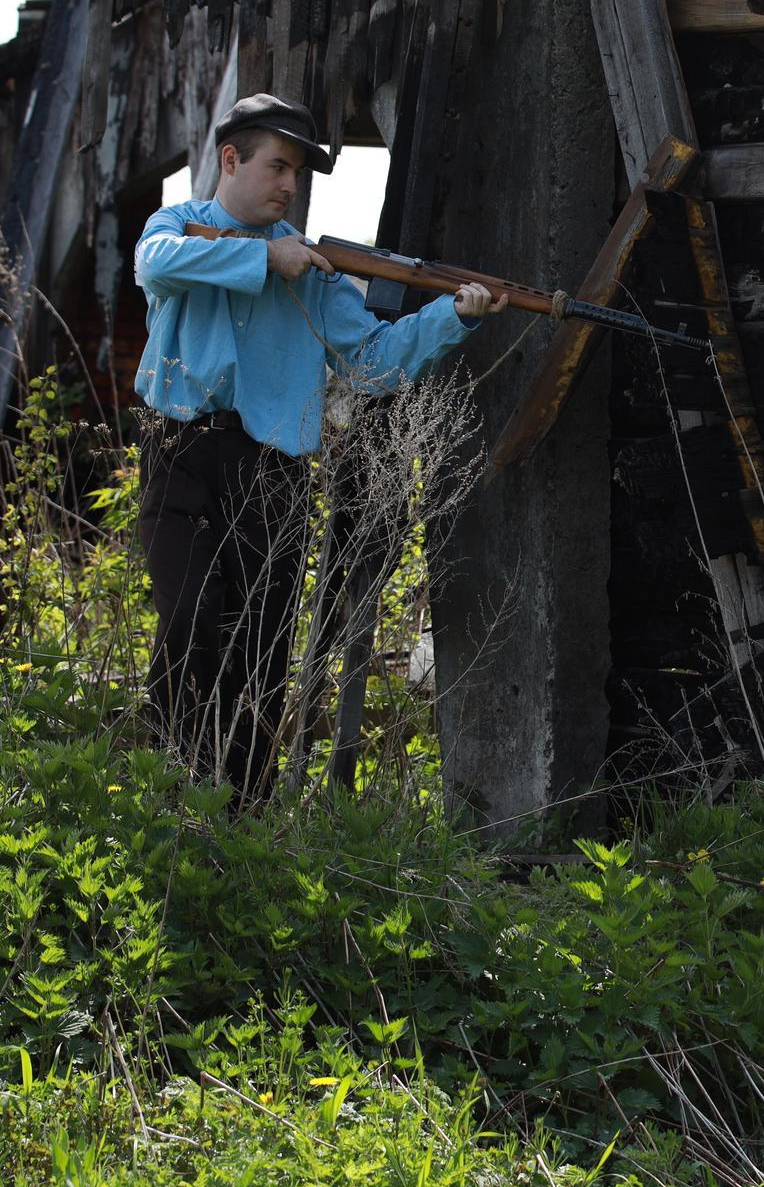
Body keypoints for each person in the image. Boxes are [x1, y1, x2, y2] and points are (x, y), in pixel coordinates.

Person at [130, 95, 498, 804]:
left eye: (297, 171)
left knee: (261, 652)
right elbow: (156, 265)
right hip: (179, 454)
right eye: (277, 165)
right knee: (187, 622)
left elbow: (373, 363)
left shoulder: (318, 274)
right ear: (230, 160)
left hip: (272, 473)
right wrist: (265, 257)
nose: (289, 184)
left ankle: (243, 812)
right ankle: (172, 792)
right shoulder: (176, 227)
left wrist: (453, 314)